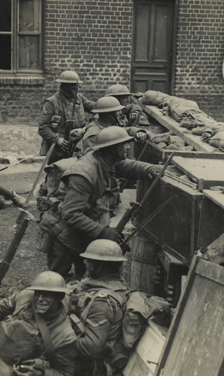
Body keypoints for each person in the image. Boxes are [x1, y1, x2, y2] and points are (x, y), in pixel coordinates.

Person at [39, 126, 162, 280]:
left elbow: (128, 166)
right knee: (56, 280)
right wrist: (102, 232)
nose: (128, 147)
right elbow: (71, 214)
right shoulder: (84, 173)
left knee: (84, 275)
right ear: (112, 149)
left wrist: (150, 169)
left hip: (80, 228)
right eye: (124, 145)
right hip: (62, 231)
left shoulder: (106, 160)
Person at [69, 240, 130, 376]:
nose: (84, 262)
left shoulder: (103, 302)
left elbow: (89, 348)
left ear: (99, 267)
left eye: (89, 260)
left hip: (91, 361)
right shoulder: (114, 284)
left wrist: (53, 341)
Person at [38, 70, 96, 164]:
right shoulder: (51, 102)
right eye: (72, 86)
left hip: (78, 144)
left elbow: (93, 106)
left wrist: (108, 103)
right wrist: (57, 140)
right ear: (64, 86)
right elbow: (42, 128)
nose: (75, 88)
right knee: (57, 173)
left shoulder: (79, 98)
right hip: (59, 148)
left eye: (76, 86)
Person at [73, 96, 149, 157]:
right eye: (117, 111)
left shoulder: (108, 125)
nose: (120, 113)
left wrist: (137, 132)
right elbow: (91, 161)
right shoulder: (93, 134)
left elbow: (125, 130)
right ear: (109, 115)